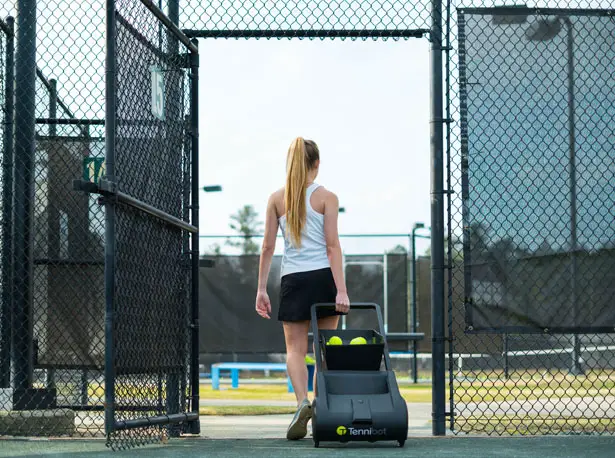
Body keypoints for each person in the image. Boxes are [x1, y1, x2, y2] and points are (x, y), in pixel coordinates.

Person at [255, 136, 350, 441]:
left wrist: (261, 289)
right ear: (317, 164)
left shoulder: (276, 199)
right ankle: (323, 408)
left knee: (294, 350)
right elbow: (333, 247)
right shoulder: (327, 198)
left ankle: (301, 403)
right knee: (323, 348)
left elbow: (268, 247)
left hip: (293, 281)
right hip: (323, 278)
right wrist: (341, 290)